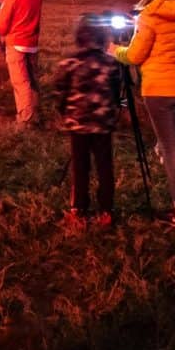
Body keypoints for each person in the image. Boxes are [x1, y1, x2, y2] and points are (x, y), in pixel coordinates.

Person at [110, 0, 175, 230]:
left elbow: (136, 56)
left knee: (169, 149)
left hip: (160, 90)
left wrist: (114, 49)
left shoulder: (149, 17)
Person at [54, 13, 121, 228]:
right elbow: (117, 92)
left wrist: (64, 112)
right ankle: (106, 211)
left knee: (80, 167)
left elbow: (60, 93)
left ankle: (79, 210)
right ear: (102, 36)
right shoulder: (111, 64)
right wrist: (117, 110)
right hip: (103, 123)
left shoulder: (69, 63)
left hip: (78, 123)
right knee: (104, 166)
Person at [0, 0, 43, 126]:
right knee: (32, 80)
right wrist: (3, 0)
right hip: (32, 42)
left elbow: (2, 26)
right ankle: (36, 114)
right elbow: (23, 8)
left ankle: (26, 119)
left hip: (16, 44)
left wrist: (4, 5)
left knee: (21, 82)